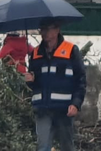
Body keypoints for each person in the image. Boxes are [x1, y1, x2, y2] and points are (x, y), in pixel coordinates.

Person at [26, 19, 87, 151]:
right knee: (43, 147)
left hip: (64, 110)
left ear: (57, 29)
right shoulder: (35, 54)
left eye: (47, 28)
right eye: (42, 29)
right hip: (42, 108)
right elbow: (34, 83)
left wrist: (76, 103)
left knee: (67, 146)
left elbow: (80, 79)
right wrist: (30, 80)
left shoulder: (71, 50)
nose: (44, 32)